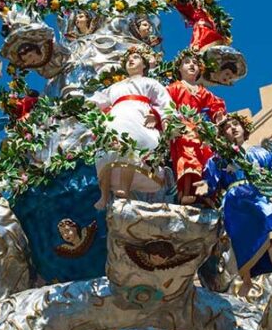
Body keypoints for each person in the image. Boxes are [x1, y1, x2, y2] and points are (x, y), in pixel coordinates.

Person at [196, 114, 272, 296]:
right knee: (240, 237)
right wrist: (206, 184)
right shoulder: (221, 158)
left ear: (244, 128)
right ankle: (247, 280)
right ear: (222, 134)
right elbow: (212, 178)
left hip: (261, 195)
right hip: (237, 200)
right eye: (228, 127)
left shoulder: (261, 153)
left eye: (236, 124)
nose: (233, 128)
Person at [88, 46, 173, 210]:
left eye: (136, 58)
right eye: (128, 59)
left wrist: (162, 118)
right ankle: (104, 194)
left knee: (131, 145)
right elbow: (100, 100)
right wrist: (84, 105)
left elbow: (164, 102)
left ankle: (124, 187)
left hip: (137, 114)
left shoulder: (149, 82)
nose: (131, 61)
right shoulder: (115, 86)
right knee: (107, 149)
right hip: (115, 116)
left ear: (145, 65)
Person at [168, 50, 226, 203]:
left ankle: (205, 195)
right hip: (182, 127)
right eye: (187, 62)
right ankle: (185, 192)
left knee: (208, 157)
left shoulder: (202, 91)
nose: (192, 65)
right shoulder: (175, 87)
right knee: (187, 154)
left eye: (195, 63)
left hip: (201, 129)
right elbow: (164, 103)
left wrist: (218, 115)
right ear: (179, 68)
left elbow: (215, 104)